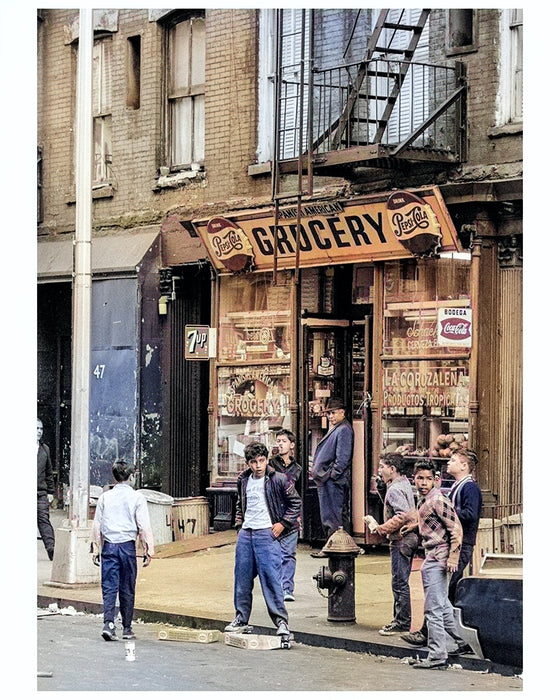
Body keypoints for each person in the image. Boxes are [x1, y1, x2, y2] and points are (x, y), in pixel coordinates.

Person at [401, 448, 482, 648]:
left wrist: (446, 511)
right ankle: (457, 639)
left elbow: (469, 516)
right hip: (448, 546)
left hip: (459, 545)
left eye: (454, 460)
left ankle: (435, 639)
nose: (449, 462)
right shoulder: (455, 487)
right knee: (442, 597)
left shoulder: (468, 488)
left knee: (440, 595)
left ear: (464, 465)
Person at [225, 441, 301, 638]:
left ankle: (281, 622)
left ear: (267, 460)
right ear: (248, 463)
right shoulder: (243, 480)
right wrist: (240, 525)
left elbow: (295, 502)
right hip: (247, 534)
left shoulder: (279, 479)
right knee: (241, 579)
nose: (258, 466)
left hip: (266, 534)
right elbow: (241, 504)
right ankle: (241, 619)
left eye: (261, 461)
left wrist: (282, 524)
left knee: (271, 580)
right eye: (253, 462)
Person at [407, 460, 468, 669]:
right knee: (442, 605)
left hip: (439, 557)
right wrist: (413, 527)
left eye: (428, 479)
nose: (424, 483)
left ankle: (437, 655)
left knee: (432, 608)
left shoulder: (438, 500)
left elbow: (456, 529)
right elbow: (431, 522)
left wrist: (452, 558)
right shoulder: (424, 499)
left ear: (436, 480)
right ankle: (463, 641)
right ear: (414, 479)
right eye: (420, 478)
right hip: (431, 555)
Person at [91, 460, 154, 641]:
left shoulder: (105, 497)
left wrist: (96, 548)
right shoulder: (137, 497)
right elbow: (144, 526)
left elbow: (97, 525)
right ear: (131, 476)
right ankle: (127, 628)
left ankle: (108, 623)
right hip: (127, 547)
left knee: (109, 586)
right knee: (127, 587)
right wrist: (148, 549)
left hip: (109, 546)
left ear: (114, 477)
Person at [365, 453, 418, 636]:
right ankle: (402, 619)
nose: (379, 470)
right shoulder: (403, 484)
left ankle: (402, 621)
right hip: (409, 538)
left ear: (392, 469)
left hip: (401, 539)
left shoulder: (395, 489)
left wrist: (382, 528)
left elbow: (401, 515)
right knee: (401, 580)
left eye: (382, 467)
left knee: (399, 582)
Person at [310, 397, 354, 556]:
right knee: (333, 515)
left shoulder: (343, 429)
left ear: (342, 412)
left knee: (332, 516)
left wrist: (331, 476)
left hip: (332, 481)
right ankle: (336, 547)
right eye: (328, 413)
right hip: (328, 480)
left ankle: (334, 548)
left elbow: (342, 459)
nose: (330, 416)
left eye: (333, 413)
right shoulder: (338, 428)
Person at [268, 429, 302, 602]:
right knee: (274, 556)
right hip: (273, 516)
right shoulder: (270, 465)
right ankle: (276, 588)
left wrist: (298, 516)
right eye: (278, 441)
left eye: (283, 441)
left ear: (292, 445)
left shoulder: (297, 469)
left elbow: (299, 495)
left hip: (291, 517)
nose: (280, 444)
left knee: (288, 555)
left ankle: (287, 588)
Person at [37, 418, 55, 561]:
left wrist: (50, 491)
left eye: (41, 429)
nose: (38, 432)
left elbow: (49, 472)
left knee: (44, 520)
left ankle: (51, 549)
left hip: (40, 492)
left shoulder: (44, 449)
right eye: (36, 428)